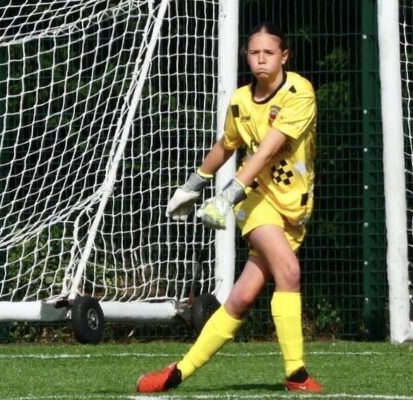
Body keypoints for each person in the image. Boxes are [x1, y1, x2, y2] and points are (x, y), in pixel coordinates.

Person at [136, 22, 323, 393]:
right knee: (289, 270)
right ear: (246, 56)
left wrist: (225, 197)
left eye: (269, 52)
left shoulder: (299, 92)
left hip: (294, 209)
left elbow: (270, 147)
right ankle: (297, 374)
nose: (261, 59)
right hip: (257, 201)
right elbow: (227, 145)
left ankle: (177, 372)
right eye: (254, 53)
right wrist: (192, 186)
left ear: (284, 56)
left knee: (240, 298)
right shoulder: (239, 100)